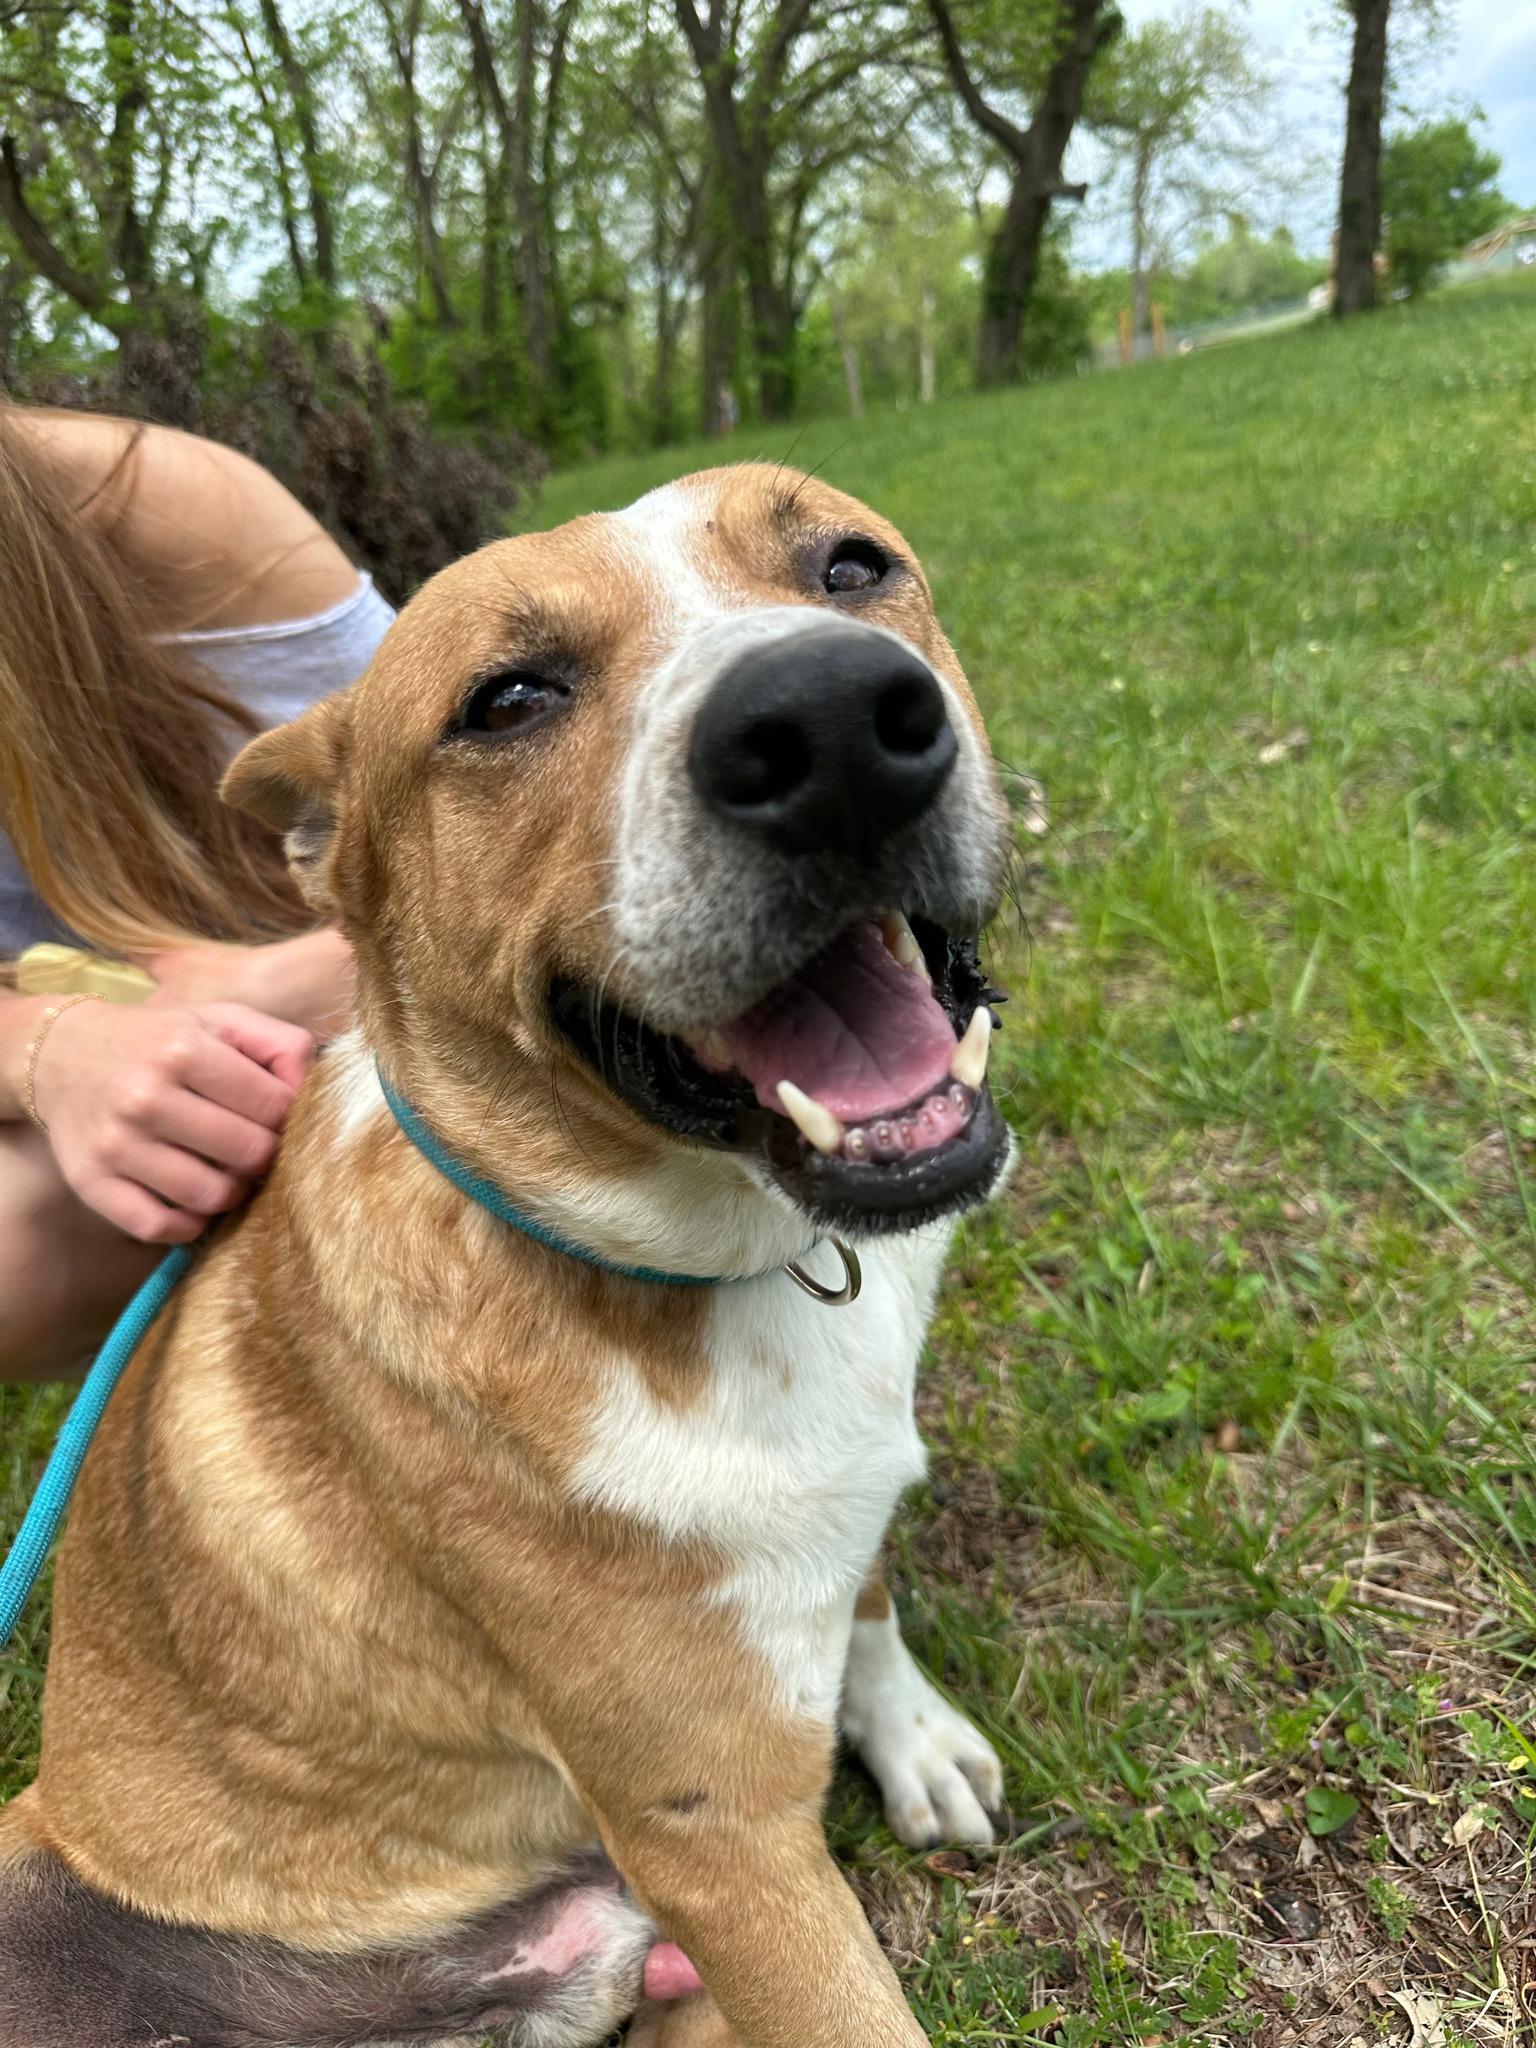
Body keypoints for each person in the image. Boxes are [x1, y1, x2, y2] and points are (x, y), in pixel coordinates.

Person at [0, 404, 393, 1382]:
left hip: (345, 991)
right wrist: (51, 1050)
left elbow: (487, 830)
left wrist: (277, 985)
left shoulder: (163, 513)